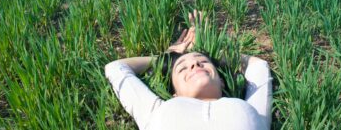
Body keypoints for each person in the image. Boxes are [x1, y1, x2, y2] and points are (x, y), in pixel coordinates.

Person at [105, 10, 273, 130]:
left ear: (222, 81)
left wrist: (214, 49)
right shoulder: (156, 110)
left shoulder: (253, 110)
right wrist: (167, 57)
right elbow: (115, 68)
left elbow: (259, 67)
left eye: (203, 61)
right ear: (175, 94)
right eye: (182, 68)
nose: (194, 65)